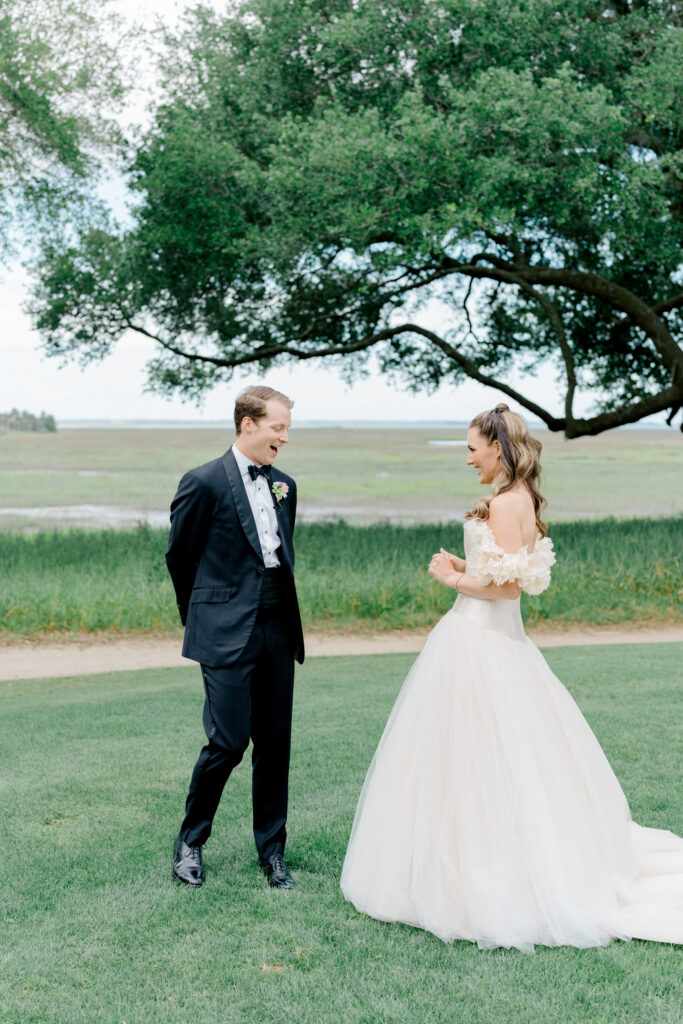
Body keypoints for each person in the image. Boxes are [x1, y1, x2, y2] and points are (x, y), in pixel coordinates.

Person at [341, 403, 683, 951]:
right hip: (499, 642)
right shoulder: (518, 499)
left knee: (474, 757)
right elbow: (501, 572)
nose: (469, 459)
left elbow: (506, 590)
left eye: (473, 448)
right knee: (495, 756)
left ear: (497, 448)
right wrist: (467, 567)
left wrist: (450, 577)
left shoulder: (504, 502)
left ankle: (478, 870)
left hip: (479, 641)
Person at [166, 385, 304, 889]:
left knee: (275, 742)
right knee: (227, 740)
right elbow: (180, 558)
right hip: (223, 628)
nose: (284, 438)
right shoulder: (202, 482)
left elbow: (281, 557)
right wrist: (199, 616)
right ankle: (191, 841)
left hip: (276, 626)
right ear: (248, 423)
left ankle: (272, 853)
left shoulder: (284, 484)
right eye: (278, 428)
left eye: (287, 429)